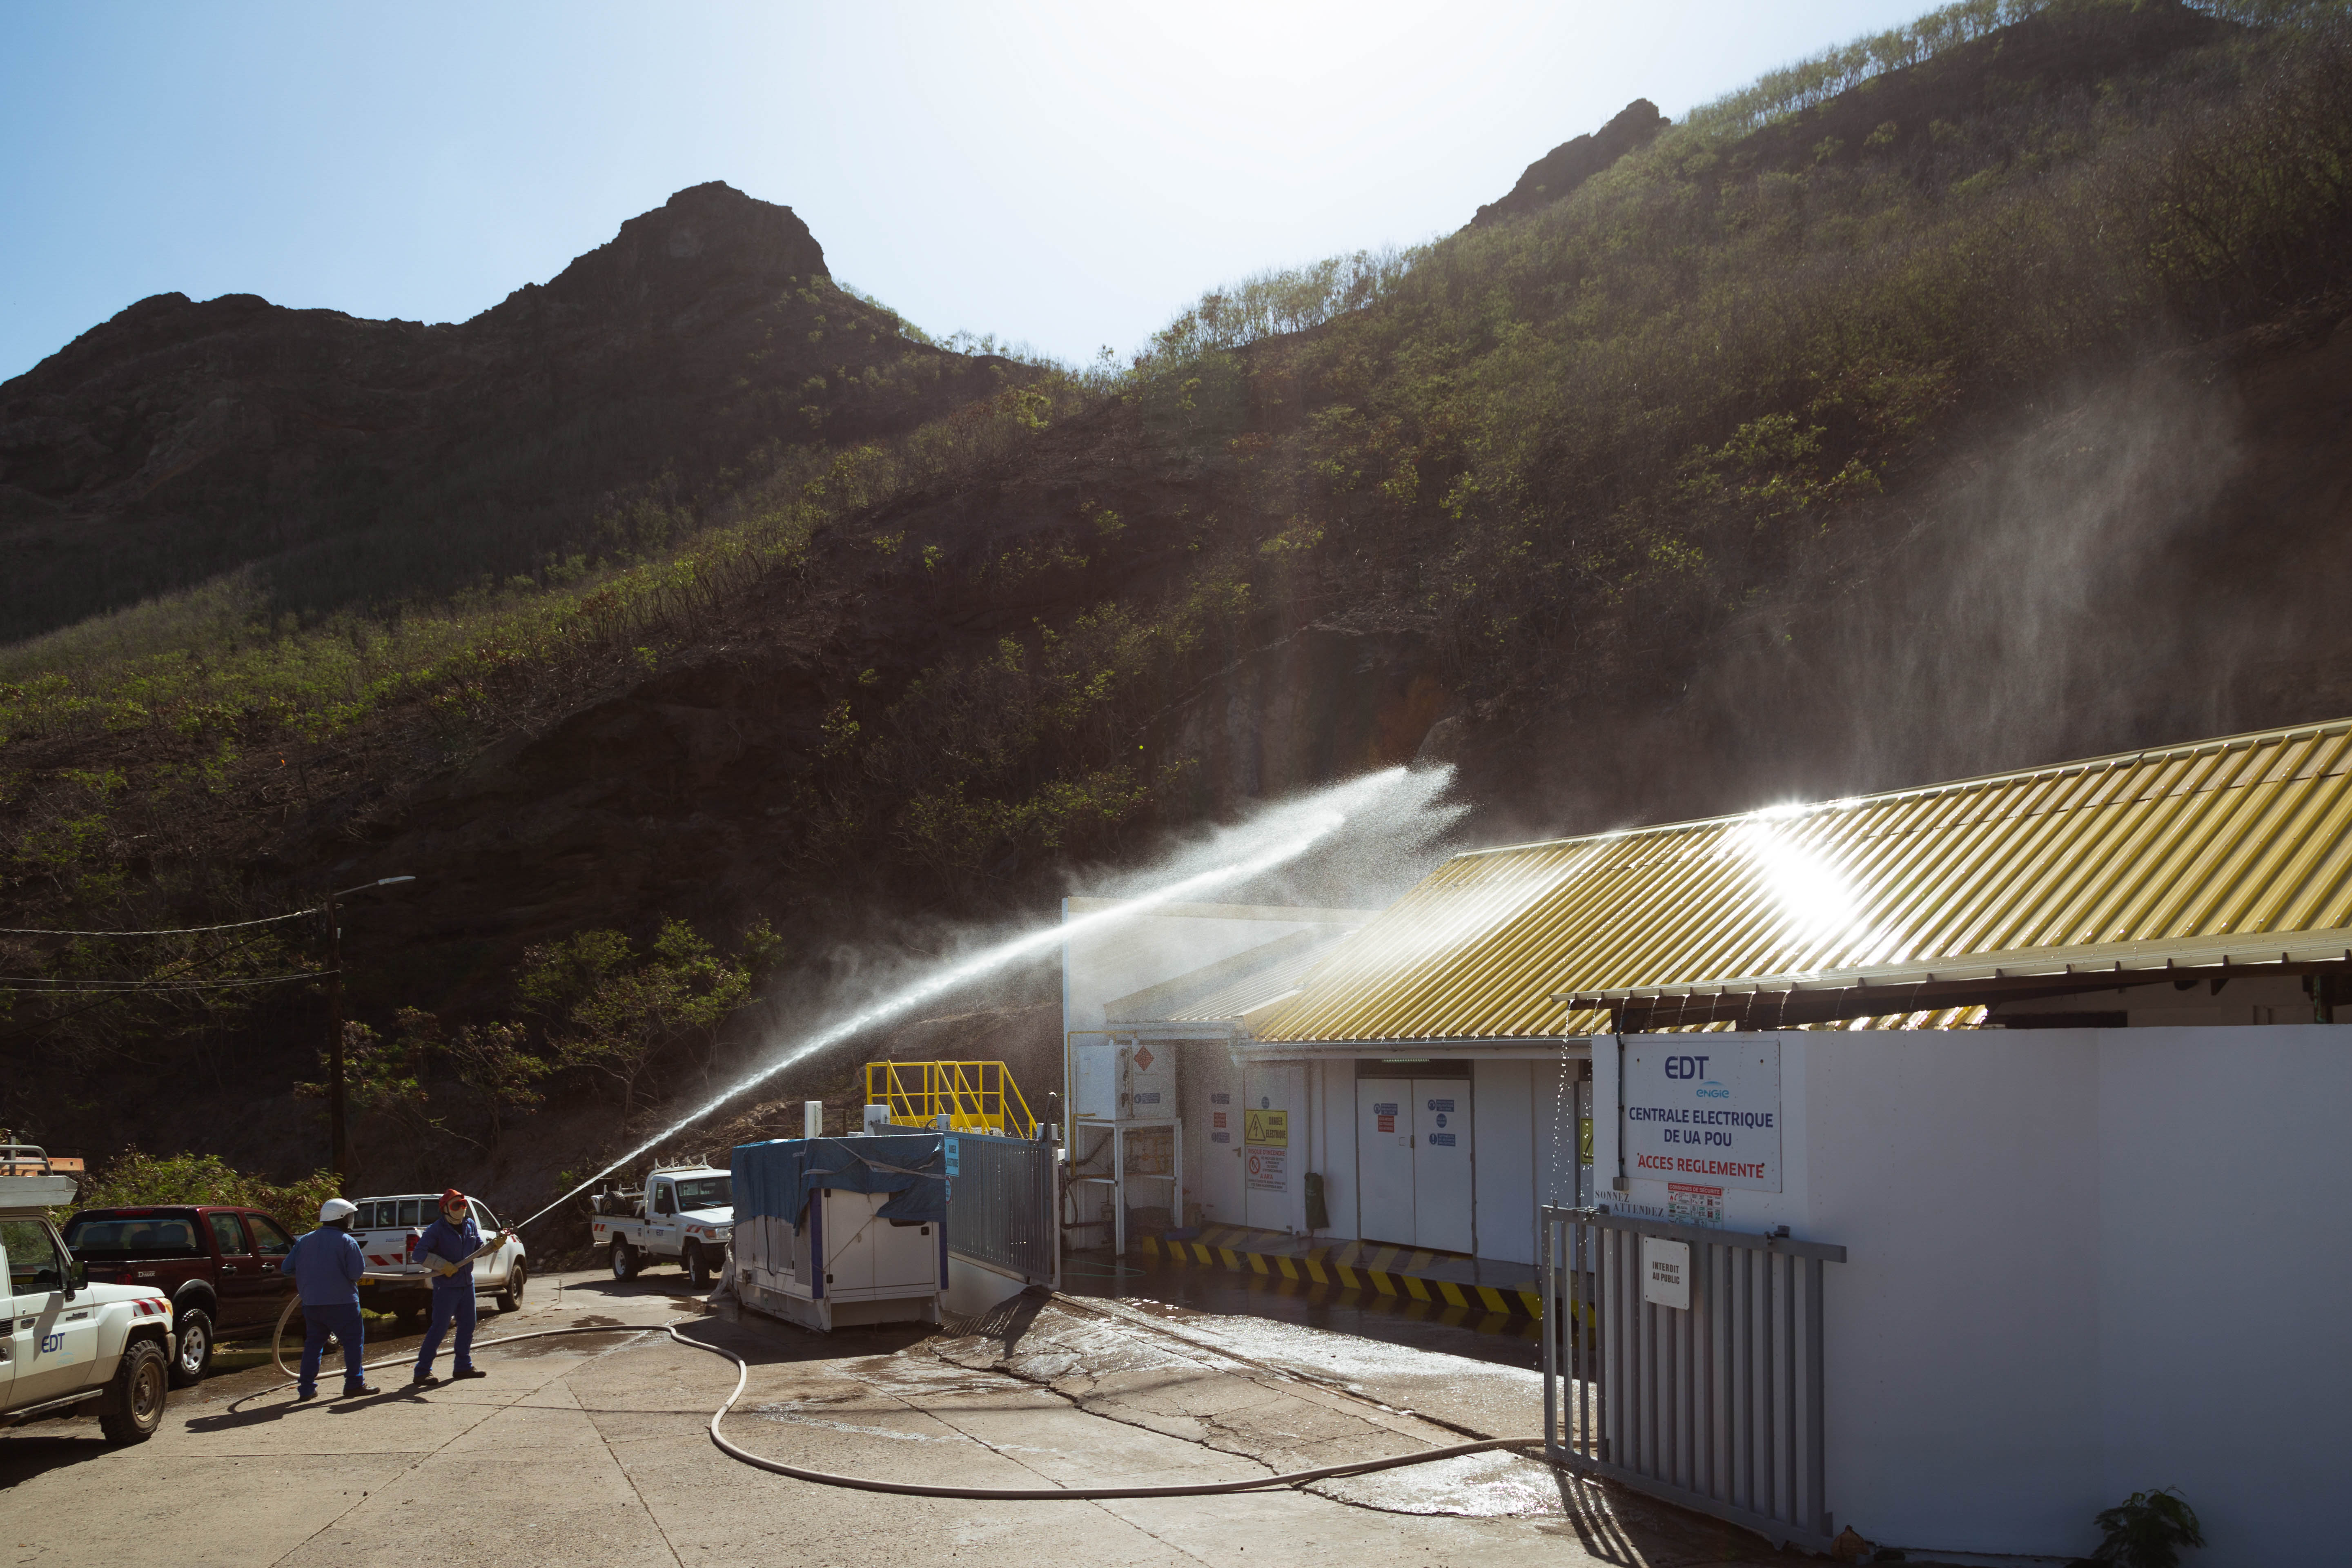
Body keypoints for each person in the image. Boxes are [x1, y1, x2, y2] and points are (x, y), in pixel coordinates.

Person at [280, 1197, 379, 1401]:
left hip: (312, 1304)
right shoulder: (347, 1241)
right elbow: (356, 1274)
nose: (351, 1221)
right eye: (350, 1217)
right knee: (353, 1343)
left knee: (314, 1345)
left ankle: (306, 1389)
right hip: (344, 1303)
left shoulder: (305, 1240)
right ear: (342, 1218)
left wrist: (311, 1275)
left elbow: (286, 1268)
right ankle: (354, 1384)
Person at [411, 1188, 510, 1388]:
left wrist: (495, 1245)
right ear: (445, 1209)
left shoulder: (470, 1225)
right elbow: (419, 1254)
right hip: (446, 1288)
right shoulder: (436, 1230)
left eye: (463, 1205)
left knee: (468, 1326)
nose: (461, 1209)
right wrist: (442, 1265)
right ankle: (422, 1372)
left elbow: (478, 1250)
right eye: (457, 1206)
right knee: (439, 1329)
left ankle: (463, 1367)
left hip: (467, 1284)